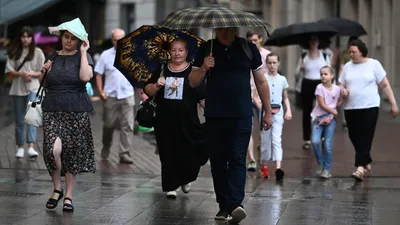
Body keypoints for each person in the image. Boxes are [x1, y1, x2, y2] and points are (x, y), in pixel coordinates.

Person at [189, 27, 272, 224]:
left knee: (237, 158)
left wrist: (268, 111)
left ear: (235, 29)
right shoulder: (205, 48)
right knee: (218, 162)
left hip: (242, 114)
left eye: (228, 29)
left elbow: (261, 81)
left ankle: (236, 204)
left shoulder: (248, 48)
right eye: (220, 29)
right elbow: (192, 82)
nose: (224, 33)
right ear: (215, 29)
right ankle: (223, 204)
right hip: (215, 115)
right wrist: (203, 67)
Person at [41, 19, 95, 212]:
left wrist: (83, 52)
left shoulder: (84, 57)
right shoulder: (53, 56)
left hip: (76, 110)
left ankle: (68, 195)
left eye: (73, 38)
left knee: (71, 154)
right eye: (66, 37)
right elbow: (45, 83)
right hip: (53, 109)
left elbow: (85, 78)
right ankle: (57, 187)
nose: (69, 41)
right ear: (61, 37)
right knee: (51, 151)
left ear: (79, 41)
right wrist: (44, 72)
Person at [143, 38, 206, 199]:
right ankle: (171, 185)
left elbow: (201, 96)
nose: (177, 53)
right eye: (173, 50)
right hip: (164, 120)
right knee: (168, 152)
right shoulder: (162, 68)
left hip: (188, 120)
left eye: (180, 50)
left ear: (186, 52)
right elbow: (148, 91)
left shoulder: (193, 70)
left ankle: (186, 177)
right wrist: (157, 85)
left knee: (190, 152)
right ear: (169, 52)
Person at [339, 39, 398, 181]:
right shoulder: (347, 66)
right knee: (354, 136)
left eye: (354, 52)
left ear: (362, 52)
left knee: (365, 136)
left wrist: (393, 103)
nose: (351, 54)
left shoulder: (374, 64)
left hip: (370, 106)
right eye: (350, 52)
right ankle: (366, 161)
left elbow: (384, 85)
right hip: (351, 107)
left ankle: (360, 168)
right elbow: (340, 85)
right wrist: (343, 90)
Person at [95, 28, 135, 164]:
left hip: (128, 94)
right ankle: (106, 145)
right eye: (115, 39)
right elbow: (98, 74)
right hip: (110, 95)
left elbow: (140, 74)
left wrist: (143, 91)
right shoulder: (105, 55)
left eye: (121, 39)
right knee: (109, 124)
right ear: (112, 40)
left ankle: (124, 153)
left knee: (128, 125)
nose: (118, 42)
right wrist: (100, 91)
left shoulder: (132, 54)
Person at [5, 26, 45, 158]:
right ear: (20, 37)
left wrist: (32, 74)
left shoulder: (38, 52)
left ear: (32, 38)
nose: (26, 39)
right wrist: (22, 74)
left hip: (33, 88)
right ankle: (20, 146)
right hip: (17, 89)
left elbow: (42, 70)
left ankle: (31, 146)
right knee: (19, 119)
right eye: (23, 36)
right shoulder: (15, 51)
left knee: (32, 116)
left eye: (28, 36)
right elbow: (9, 71)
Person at [259, 53, 292, 181]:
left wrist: (288, 110)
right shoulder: (263, 78)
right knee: (265, 140)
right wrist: (260, 105)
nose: (272, 65)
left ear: (278, 63)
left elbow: (285, 97)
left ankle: (278, 167)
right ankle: (264, 165)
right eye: (269, 63)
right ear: (266, 64)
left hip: (278, 111)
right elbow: (256, 96)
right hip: (266, 111)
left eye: (274, 63)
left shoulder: (282, 79)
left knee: (276, 138)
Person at [295, 36, 331, 150]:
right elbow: (296, 74)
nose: (314, 42)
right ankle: (307, 139)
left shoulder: (324, 56)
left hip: (320, 84)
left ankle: (322, 136)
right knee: (307, 112)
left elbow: (329, 72)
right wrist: (300, 69)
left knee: (322, 110)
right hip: (307, 84)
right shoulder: (304, 56)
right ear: (309, 42)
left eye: (316, 40)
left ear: (319, 42)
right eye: (312, 40)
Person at [311, 66, 343, 179]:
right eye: (321, 74)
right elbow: (322, 104)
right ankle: (320, 163)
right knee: (315, 141)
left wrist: (342, 100)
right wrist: (334, 111)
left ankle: (326, 169)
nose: (323, 76)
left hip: (330, 119)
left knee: (327, 144)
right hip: (318, 118)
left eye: (325, 74)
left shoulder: (337, 89)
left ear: (332, 76)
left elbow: (336, 104)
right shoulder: (319, 87)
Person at [246, 30, 270, 172]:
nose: (253, 43)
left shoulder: (267, 55)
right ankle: (252, 159)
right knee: (248, 127)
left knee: (264, 129)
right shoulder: (245, 53)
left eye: (255, 40)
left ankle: (261, 152)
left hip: (261, 96)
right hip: (247, 95)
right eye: (251, 41)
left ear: (260, 39)